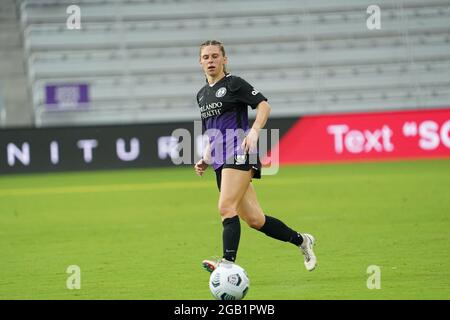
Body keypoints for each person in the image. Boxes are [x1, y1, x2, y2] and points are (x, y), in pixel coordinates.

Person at [194, 40, 317, 273]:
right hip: (221, 160)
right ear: (200, 62)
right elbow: (212, 130)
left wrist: (254, 131)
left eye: (214, 56)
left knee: (225, 208)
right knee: (255, 220)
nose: (210, 61)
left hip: (240, 153)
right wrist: (206, 157)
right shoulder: (202, 95)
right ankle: (303, 241)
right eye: (206, 57)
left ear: (224, 59)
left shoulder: (233, 84)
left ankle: (227, 264)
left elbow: (263, 106)